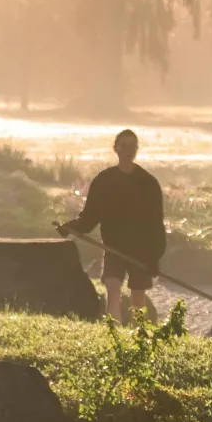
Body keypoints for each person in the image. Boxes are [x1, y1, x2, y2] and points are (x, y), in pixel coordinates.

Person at [58, 130, 167, 324]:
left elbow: (156, 224)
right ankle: (113, 330)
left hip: (141, 250)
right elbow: (90, 217)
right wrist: (71, 228)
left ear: (137, 150)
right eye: (124, 145)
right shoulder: (104, 180)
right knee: (112, 286)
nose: (129, 150)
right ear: (115, 148)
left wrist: (154, 258)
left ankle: (137, 334)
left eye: (133, 146)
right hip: (113, 247)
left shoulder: (148, 183)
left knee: (138, 297)